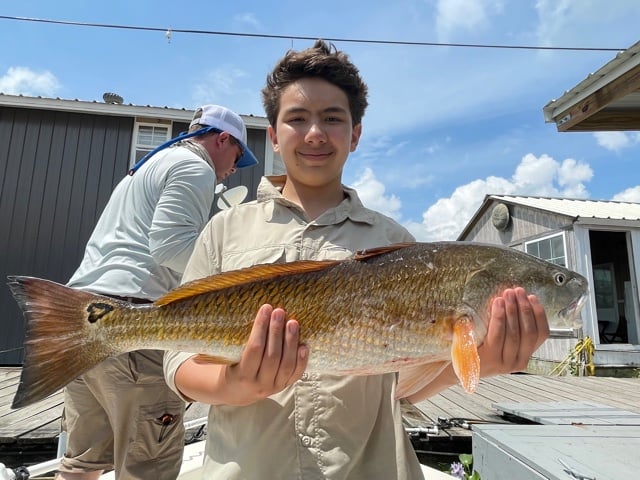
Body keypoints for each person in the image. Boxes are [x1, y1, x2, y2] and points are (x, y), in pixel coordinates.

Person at [163, 40, 549, 479]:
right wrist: (234, 384)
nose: (314, 133)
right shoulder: (224, 231)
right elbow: (177, 359)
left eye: (333, 118)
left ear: (356, 133)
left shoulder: (397, 243)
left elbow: (399, 387)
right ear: (272, 135)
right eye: (296, 119)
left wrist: (482, 359)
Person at [56, 104, 258, 480]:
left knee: (82, 461)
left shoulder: (148, 167)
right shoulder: (195, 167)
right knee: (149, 465)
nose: (233, 170)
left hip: (82, 316)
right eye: (237, 156)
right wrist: (233, 278)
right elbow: (169, 247)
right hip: (134, 323)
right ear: (222, 139)